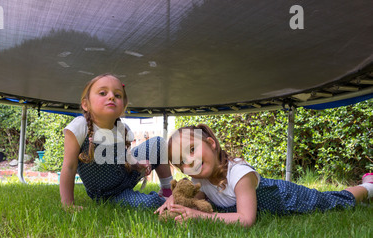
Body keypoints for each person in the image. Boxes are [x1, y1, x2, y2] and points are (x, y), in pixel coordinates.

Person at [155, 124, 373, 227]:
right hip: (281, 201)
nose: (189, 161)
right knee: (333, 200)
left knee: (332, 201)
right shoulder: (199, 179)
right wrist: (173, 200)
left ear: (211, 144)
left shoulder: (239, 174)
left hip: (288, 197)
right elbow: (196, 197)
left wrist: (201, 217)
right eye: (182, 160)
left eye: (192, 149)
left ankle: (368, 186)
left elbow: (246, 219)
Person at [60, 73, 173, 211]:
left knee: (158, 143)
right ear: (85, 104)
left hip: (125, 178)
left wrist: (137, 165)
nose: (111, 96)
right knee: (151, 203)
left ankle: (168, 191)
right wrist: (68, 205)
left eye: (118, 95)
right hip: (110, 194)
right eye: (103, 93)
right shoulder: (79, 126)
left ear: (123, 106)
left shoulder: (122, 129)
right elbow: (69, 167)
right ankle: (164, 201)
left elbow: (124, 160)